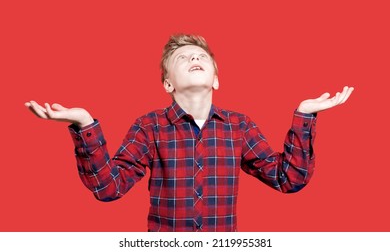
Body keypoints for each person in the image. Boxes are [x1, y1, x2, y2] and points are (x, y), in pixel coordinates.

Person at [25, 34, 354, 232]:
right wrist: (84, 124)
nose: (195, 57)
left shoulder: (239, 126)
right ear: (168, 83)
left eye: (201, 57)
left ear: (216, 79)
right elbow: (109, 188)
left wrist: (305, 116)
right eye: (183, 58)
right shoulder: (148, 126)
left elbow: (287, 180)